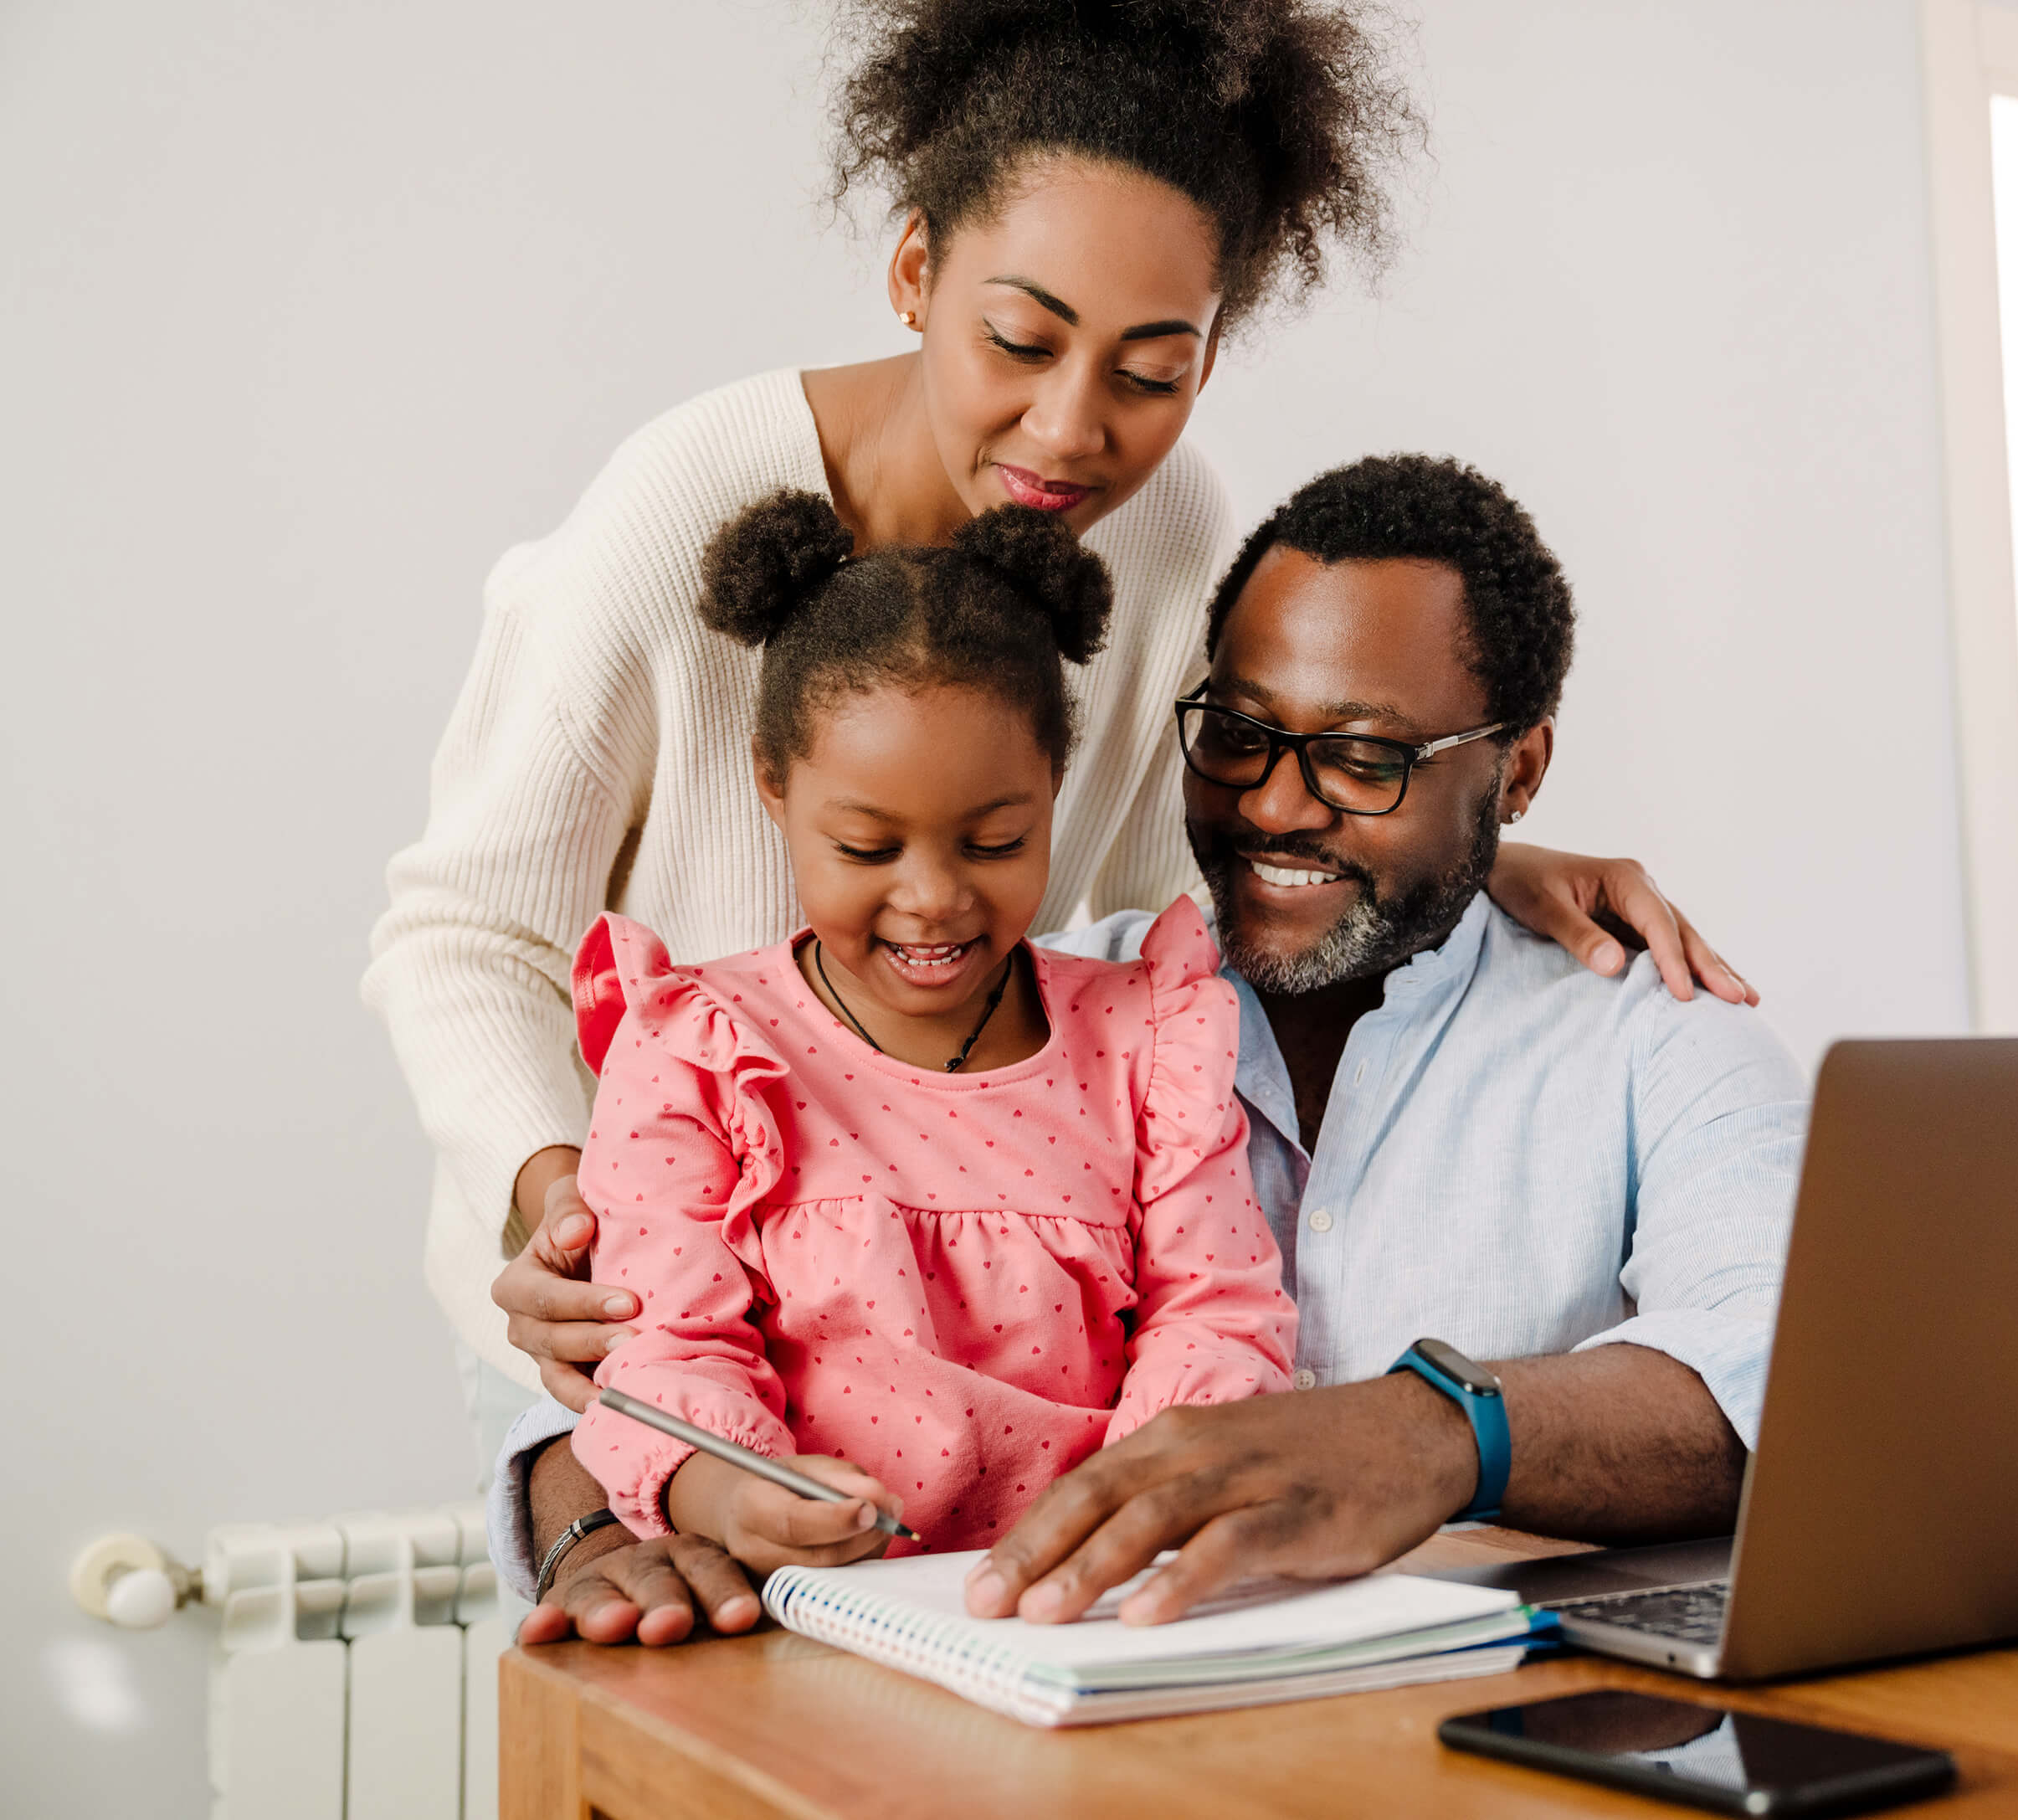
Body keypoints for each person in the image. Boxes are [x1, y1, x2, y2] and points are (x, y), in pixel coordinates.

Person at [365, 0, 1754, 1491]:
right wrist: (574, 1204)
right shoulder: (676, 514)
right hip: (652, 1290)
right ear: (915, 273)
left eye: (1150, 371)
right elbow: (462, 935)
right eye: (1020, 340)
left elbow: (1181, 895)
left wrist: (1476, 851)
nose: (1070, 429)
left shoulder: (1165, 535)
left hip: (950, 1313)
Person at [504, 455, 1805, 1643]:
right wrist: (615, 1508)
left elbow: (1786, 1380)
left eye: (1362, 758)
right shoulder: (1056, 993)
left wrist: (1433, 1431)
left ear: (1518, 772)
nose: (1279, 805)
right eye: (1239, 733)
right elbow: (632, 1361)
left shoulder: (1654, 1037)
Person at [571, 491, 1295, 1576]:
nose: (932, 899)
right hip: (807, 1602)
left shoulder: (1149, 1042)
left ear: (1053, 788)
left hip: (1088, 1598)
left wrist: (1126, 1506)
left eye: (995, 840)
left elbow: (1217, 1311)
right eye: (867, 848)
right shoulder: (699, 1049)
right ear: (775, 788)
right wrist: (733, 1492)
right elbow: (671, 1341)